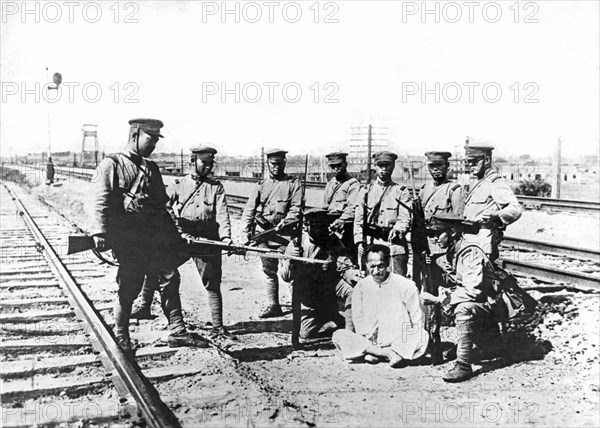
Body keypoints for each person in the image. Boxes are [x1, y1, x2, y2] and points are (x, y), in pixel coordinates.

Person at [91, 118, 208, 357]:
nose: (154, 144)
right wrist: (100, 232)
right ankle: (122, 334)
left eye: (156, 140)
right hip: (129, 238)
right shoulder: (111, 164)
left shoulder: (151, 168)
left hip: (154, 238)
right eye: (150, 139)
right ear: (135, 134)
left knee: (169, 277)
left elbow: (161, 206)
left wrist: (175, 233)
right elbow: (99, 200)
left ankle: (177, 331)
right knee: (130, 285)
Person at [131, 145, 235, 340]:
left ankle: (218, 327)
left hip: (207, 240)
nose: (208, 167)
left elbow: (222, 215)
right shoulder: (178, 185)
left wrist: (226, 237)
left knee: (212, 283)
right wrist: (177, 231)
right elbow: (165, 208)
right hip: (182, 239)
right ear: (192, 162)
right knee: (157, 267)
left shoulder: (216, 187)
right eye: (204, 163)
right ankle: (144, 306)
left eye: (211, 163)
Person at [421, 213, 506, 382]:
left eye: (438, 234)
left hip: (495, 306)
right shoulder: (454, 251)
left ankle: (464, 365)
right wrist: (433, 268)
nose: (435, 239)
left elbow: (473, 291)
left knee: (463, 308)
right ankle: (478, 346)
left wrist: (439, 300)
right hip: (483, 306)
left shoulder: (471, 252)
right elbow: (456, 279)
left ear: (452, 232)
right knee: (461, 305)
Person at [332, 244, 427, 367]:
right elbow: (358, 319)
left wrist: (406, 338)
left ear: (388, 263)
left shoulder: (406, 285)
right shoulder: (361, 287)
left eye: (380, 266)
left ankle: (372, 354)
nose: (376, 271)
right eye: (372, 267)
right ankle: (386, 354)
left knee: (422, 335)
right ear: (366, 265)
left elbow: (417, 318)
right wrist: (366, 338)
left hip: (399, 341)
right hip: (371, 341)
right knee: (338, 335)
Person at [279, 208, 361, 341]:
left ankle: (349, 334)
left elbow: (344, 266)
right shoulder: (296, 243)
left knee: (351, 291)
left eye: (322, 226)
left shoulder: (332, 241)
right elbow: (286, 277)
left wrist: (354, 275)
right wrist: (291, 259)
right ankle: (329, 317)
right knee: (306, 335)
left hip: (328, 286)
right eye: (314, 226)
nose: (318, 230)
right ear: (307, 226)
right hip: (308, 295)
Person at [240, 149, 302, 318]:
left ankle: (298, 307)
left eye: (280, 163)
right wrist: (245, 233)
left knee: (290, 272)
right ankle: (274, 305)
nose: (276, 167)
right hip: (264, 236)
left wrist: (287, 221)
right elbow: (249, 210)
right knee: (269, 271)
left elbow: (297, 208)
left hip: (286, 236)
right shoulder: (261, 185)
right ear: (268, 164)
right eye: (273, 164)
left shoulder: (293, 184)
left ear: (284, 163)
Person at [354, 151, 411, 275]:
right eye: (380, 165)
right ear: (375, 166)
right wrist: (359, 241)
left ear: (393, 166)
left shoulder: (401, 192)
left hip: (394, 246)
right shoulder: (366, 191)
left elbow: (405, 218)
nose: (384, 169)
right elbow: (358, 219)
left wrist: (398, 229)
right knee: (373, 283)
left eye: (388, 165)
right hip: (373, 244)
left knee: (397, 284)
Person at [323, 152, 360, 262]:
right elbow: (325, 205)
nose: (336, 169)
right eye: (333, 166)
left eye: (339, 166)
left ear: (345, 165)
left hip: (345, 228)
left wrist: (340, 221)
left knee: (347, 260)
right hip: (330, 226)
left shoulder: (353, 184)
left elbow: (352, 208)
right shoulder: (330, 183)